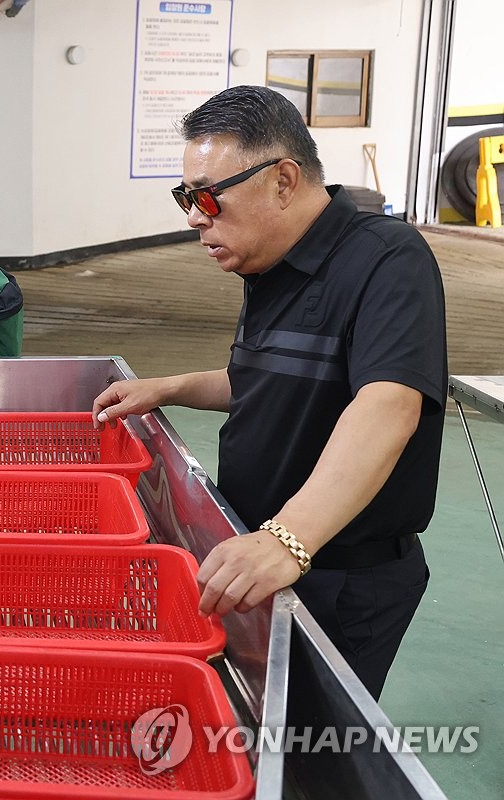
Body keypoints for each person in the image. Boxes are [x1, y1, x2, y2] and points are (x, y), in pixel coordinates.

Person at [92, 85, 446, 700]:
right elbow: (272, 384)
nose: (195, 216)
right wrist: (172, 387)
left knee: (310, 748)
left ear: (283, 180)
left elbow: (388, 403)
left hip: (338, 574)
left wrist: (290, 539)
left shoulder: (388, 260)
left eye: (208, 196)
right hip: (262, 553)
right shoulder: (269, 265)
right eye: (185, 197)